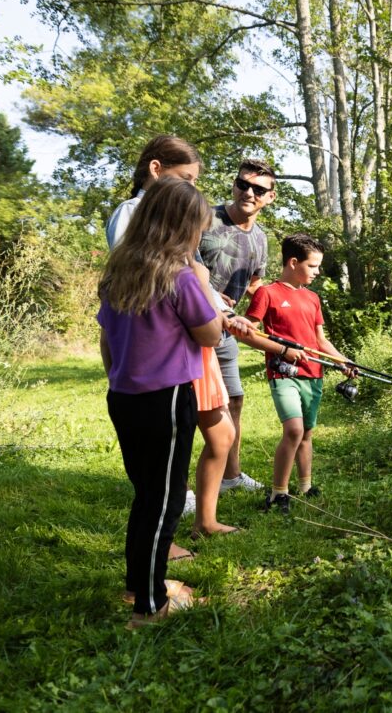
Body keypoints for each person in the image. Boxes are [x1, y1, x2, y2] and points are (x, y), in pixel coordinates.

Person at [97, 177, 221, 627]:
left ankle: (140, 585)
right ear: (180, 227)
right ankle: (149, 608)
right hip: (167, 399)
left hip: (124, 396)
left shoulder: (118, 272)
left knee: (146, 496)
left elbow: (107, 339)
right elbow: (210, 334)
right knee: (165, 502)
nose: (199, 237)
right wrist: (207, 288)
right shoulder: (181, 276)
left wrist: (119, 376)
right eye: (197, 229)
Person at [106, 136, 242, 543]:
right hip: (163, 371)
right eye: (186, 178)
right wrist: (207, 301)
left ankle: (193, 528)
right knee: (159, 485)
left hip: (150, 375)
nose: (192, 188)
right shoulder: (137, 222)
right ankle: (152, 585)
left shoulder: (162, 264)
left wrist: (225, 311)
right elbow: (161, 294)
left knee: (166, 478)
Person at [243, 234, 356, 513]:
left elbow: (320, 340)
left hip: (313, 373)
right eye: (313, 266)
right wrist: (282, 350)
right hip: (284, 374)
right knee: (293, 429)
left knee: (306, 432)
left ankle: (305, 486)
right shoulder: (266, 293)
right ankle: (277, 494)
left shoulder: (313, 298)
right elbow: (246, 333)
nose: (317, 272)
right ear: (293, 262)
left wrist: (343, 361)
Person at [199, 159, 277, 495]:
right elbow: (180, 265)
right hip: (190, 326)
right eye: (242, 184)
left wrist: (281, 309)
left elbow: (255, 285)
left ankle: (231, 477)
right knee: (191, 410)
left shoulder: (260, 239)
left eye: (258, 189)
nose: (248, 192)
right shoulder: (205, 220)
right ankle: (177, 489)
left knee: (234, 401)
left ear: (269, 198)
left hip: (226, 330)